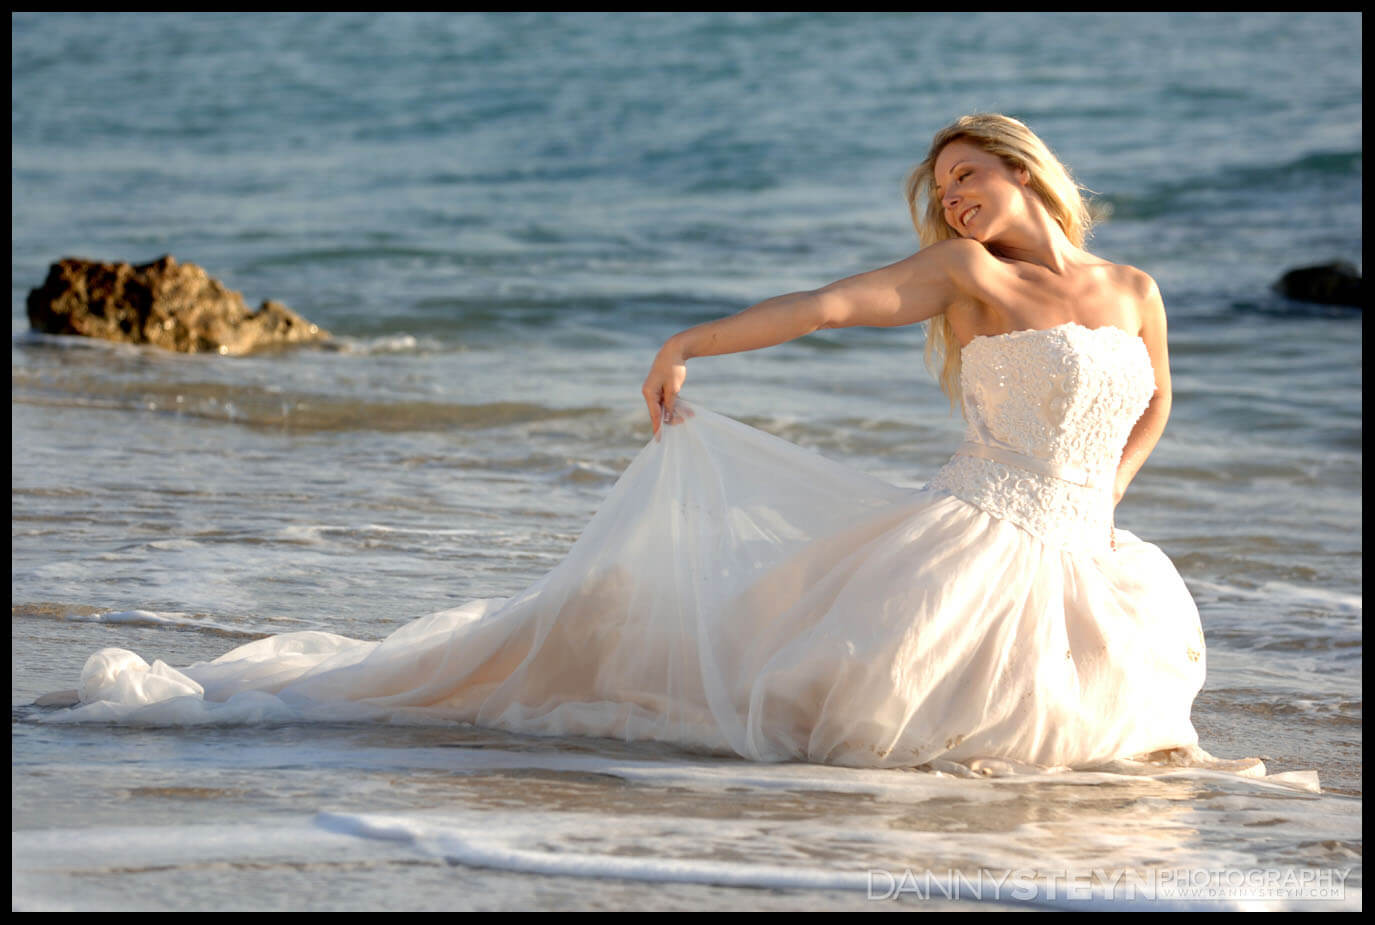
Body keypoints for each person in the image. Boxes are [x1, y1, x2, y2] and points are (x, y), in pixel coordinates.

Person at [41, 114, 1212, 774]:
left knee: (1087, 738)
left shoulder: (1133, 285)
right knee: (834, 709)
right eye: (943, 190)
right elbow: (829, 306)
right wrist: (693, 339)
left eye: (969, 178)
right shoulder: (968, 276)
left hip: (1083, 549)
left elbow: (1154, 402)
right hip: (975, 529)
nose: (955, 201)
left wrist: (1103, 503)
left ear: (1023, 167)